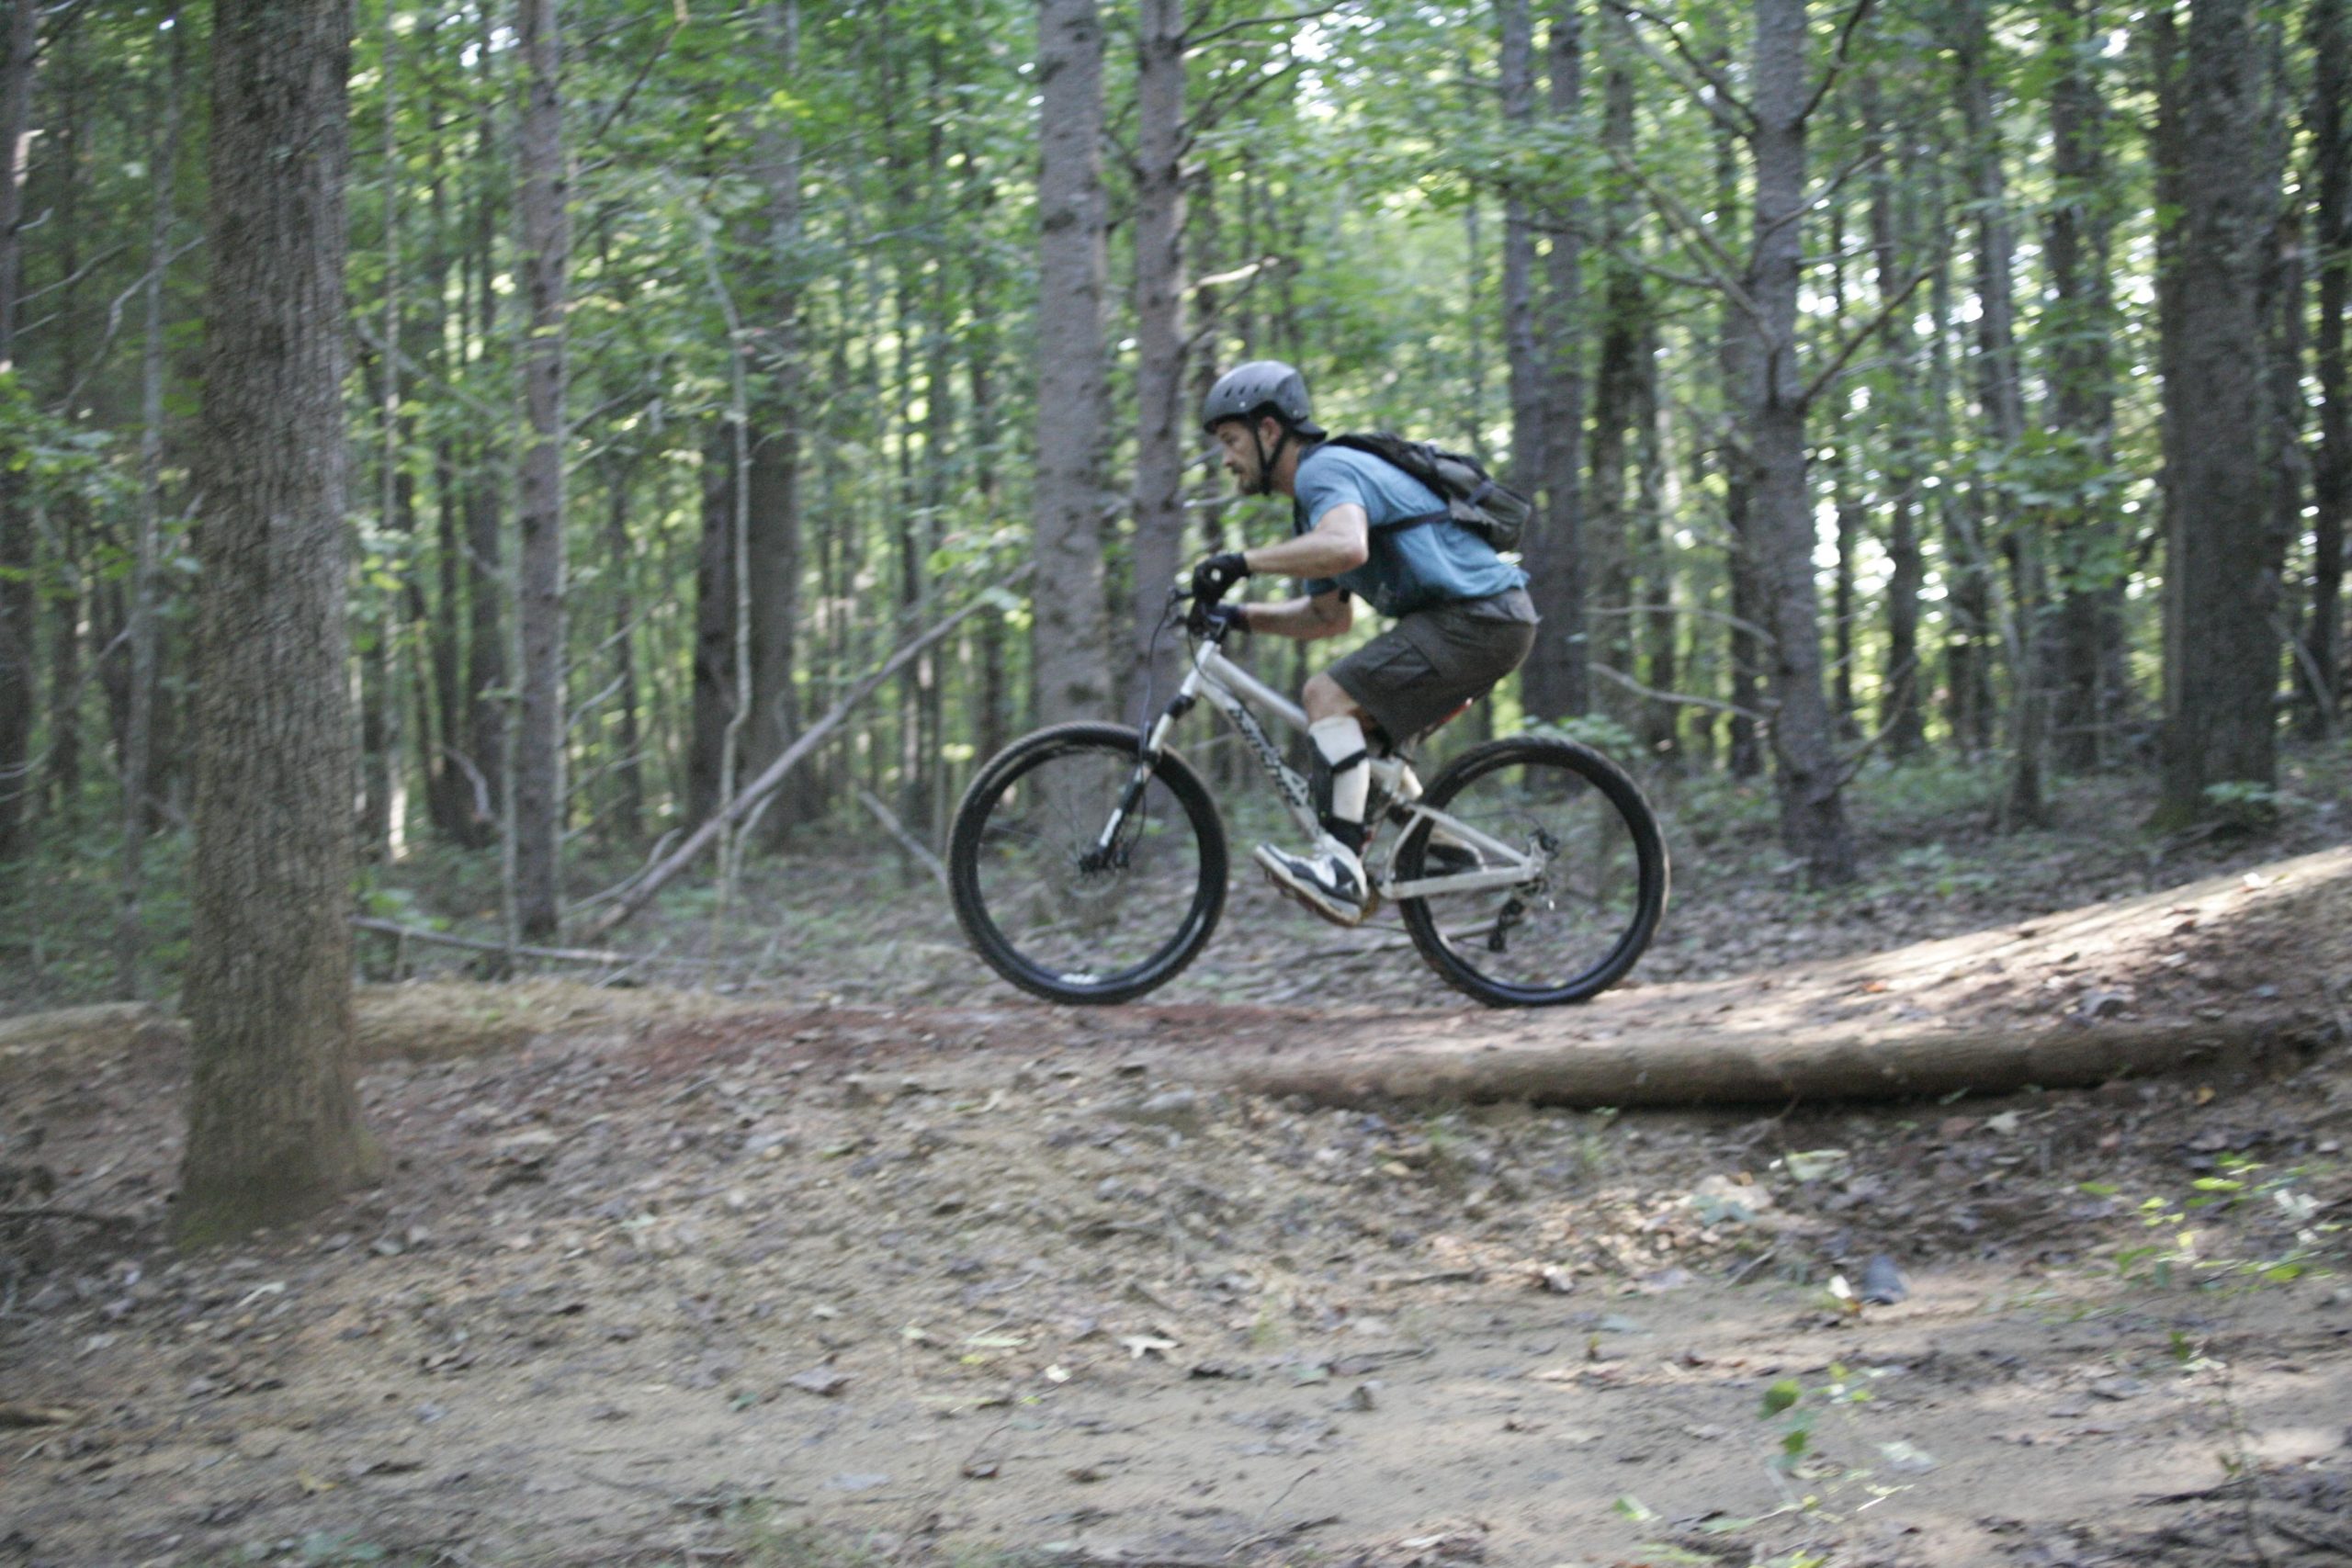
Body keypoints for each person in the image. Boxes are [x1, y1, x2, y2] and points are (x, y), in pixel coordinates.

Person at [1189, 359, 1539, 925]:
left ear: (1269, 431)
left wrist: (1239, 563)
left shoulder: (1323, 472)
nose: (1226, 459)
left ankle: (1338, 869)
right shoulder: (1314, 504)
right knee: (1363, 744)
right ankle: (1445, 850)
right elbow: (1327, 616)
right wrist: (1238, 616)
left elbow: (1346, 547)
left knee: (1326, 696)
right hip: (1481, 622)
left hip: (1478, 619)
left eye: (1231, 441)